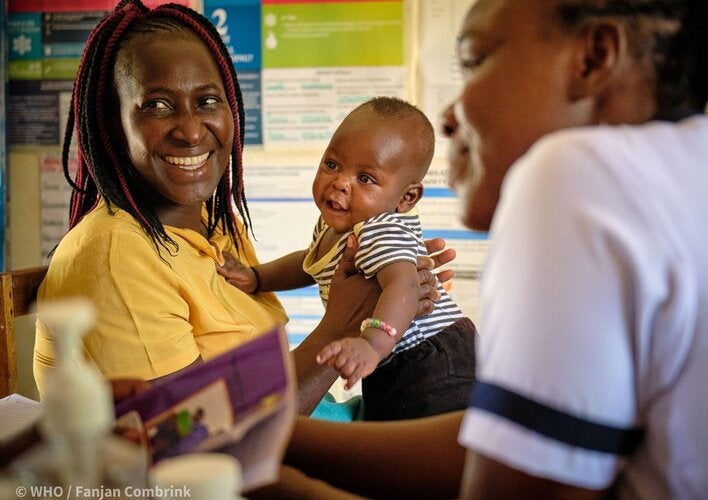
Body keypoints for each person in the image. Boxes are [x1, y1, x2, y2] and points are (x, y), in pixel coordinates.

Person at [258, 0, 708, 498]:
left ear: (592, 58)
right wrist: (268, 436)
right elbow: (511, 453)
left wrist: (257, 467)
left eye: (475, 60)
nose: (450, 114)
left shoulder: (577, 171)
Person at [32, 0, 454, 417]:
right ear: (113, 123)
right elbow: (193, 439)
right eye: (157, 105)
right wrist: (345, 323)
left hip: (319, 420)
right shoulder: (115, 255)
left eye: (208, 101)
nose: (192, 130)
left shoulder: (215, 225)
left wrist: (402, 289)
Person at [217, 96, 476, 420]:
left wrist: (371, 344)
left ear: (406, 198)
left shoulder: (378, 229)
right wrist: (258, 277)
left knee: (411, 450)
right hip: (391, 353)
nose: (339, 183)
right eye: (332, 164)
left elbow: (406, 288)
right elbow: (308, 263)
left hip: (431, 359)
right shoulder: (333, 225)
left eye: (365, 178)